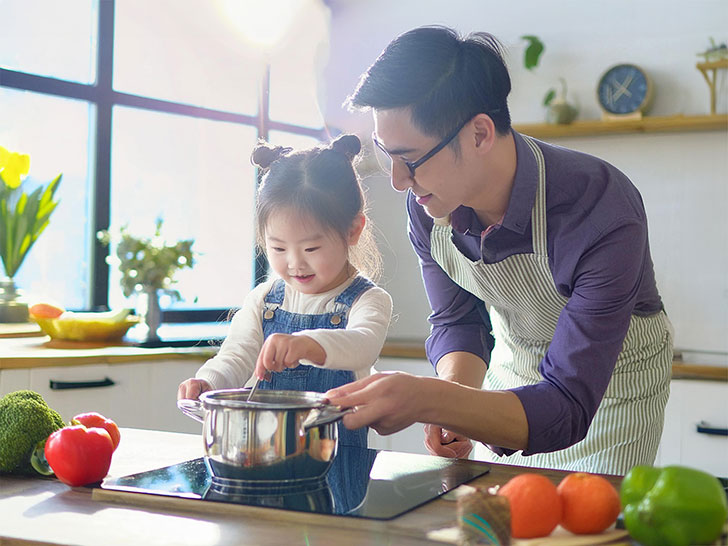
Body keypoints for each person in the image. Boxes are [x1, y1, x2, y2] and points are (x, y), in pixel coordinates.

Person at [325, 26, 673, 474]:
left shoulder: (600, 207)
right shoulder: (428, 205)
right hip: (508, 380)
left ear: (480, 134)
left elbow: (567, 403)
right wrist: (453, 398)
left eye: (409, 159)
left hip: (609, 394)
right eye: (384, 152)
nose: (396, 181)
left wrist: (433, 398)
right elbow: (459, 320)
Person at [178, 134, 393, 448]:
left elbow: (363, 345)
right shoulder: (264, 300)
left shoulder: (367, 299)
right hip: (265, 448)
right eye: (277, 247)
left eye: (311, 247)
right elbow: (237, 356)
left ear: (353, 231)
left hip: (335, 452)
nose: (295, 263)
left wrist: (306, 344)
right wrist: (208, 381)